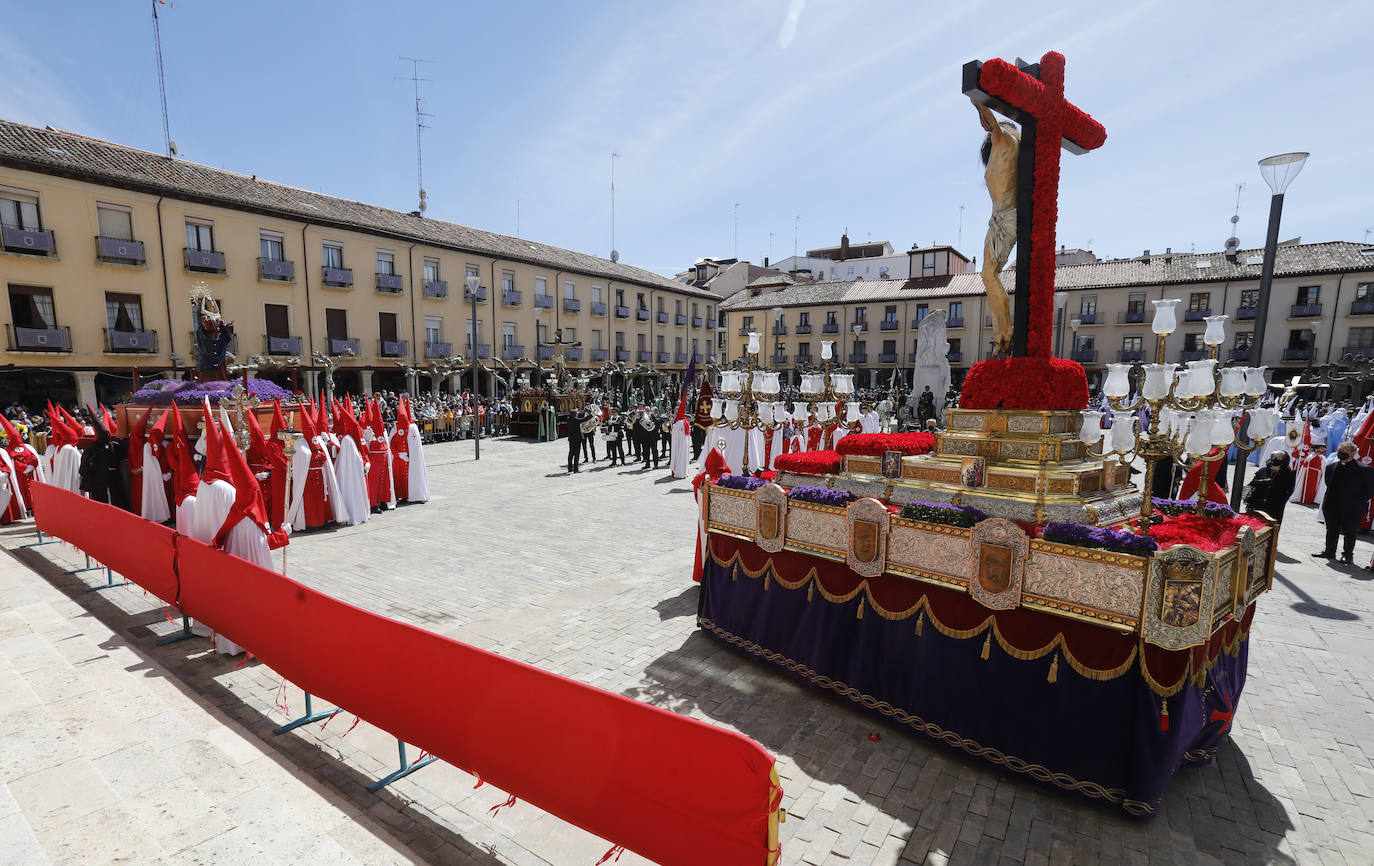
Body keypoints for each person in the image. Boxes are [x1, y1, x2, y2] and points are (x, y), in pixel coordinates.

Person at [1314, 442, 1374, 564]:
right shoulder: (1331, 467)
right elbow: (1328, 484)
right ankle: (1329, 551)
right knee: (1331, 529)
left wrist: (1356, 502)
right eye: (1339, 450)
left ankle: (1347, 555)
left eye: (1344, 450)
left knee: (1350, 532)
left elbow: (1369, 490)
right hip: (1332, 505)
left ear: (1353, 453)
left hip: (1352, 507)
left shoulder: (1364, 470)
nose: (1341, 453)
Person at [1244, 451, 1296, 523]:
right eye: (1274, 457)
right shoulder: (1264, 471)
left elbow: (1288, 490)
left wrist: (1272, 485)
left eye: (1278, 458)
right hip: (1258, 504)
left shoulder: (1289, 474)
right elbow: (1252, 484)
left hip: (1275, 507)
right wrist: (1263, 483)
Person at [566, 409, 584, 473]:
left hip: (571, 439)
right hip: (577, 439)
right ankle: (575, 469)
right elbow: (583, 420)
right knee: (576, 454)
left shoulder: (569, 419)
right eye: (577, 413)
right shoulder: (575, 420)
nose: (577, 414)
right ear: (575, 414)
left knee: (571, 454)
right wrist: (592, 414)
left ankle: (570, 468)